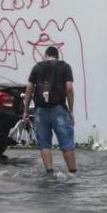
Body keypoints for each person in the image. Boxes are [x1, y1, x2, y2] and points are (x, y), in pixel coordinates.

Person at [22, 46, 77, 174]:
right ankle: (72, 171)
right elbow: (69, 88)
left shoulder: (37, 67)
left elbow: (29, 89)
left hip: (40, 110)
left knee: (44, 143)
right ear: (57, 56)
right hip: (59, 109)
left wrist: (26, 111)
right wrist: (71, 111)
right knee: (67, 143)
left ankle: (50, 171)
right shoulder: (65, 67)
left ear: (45, 55)